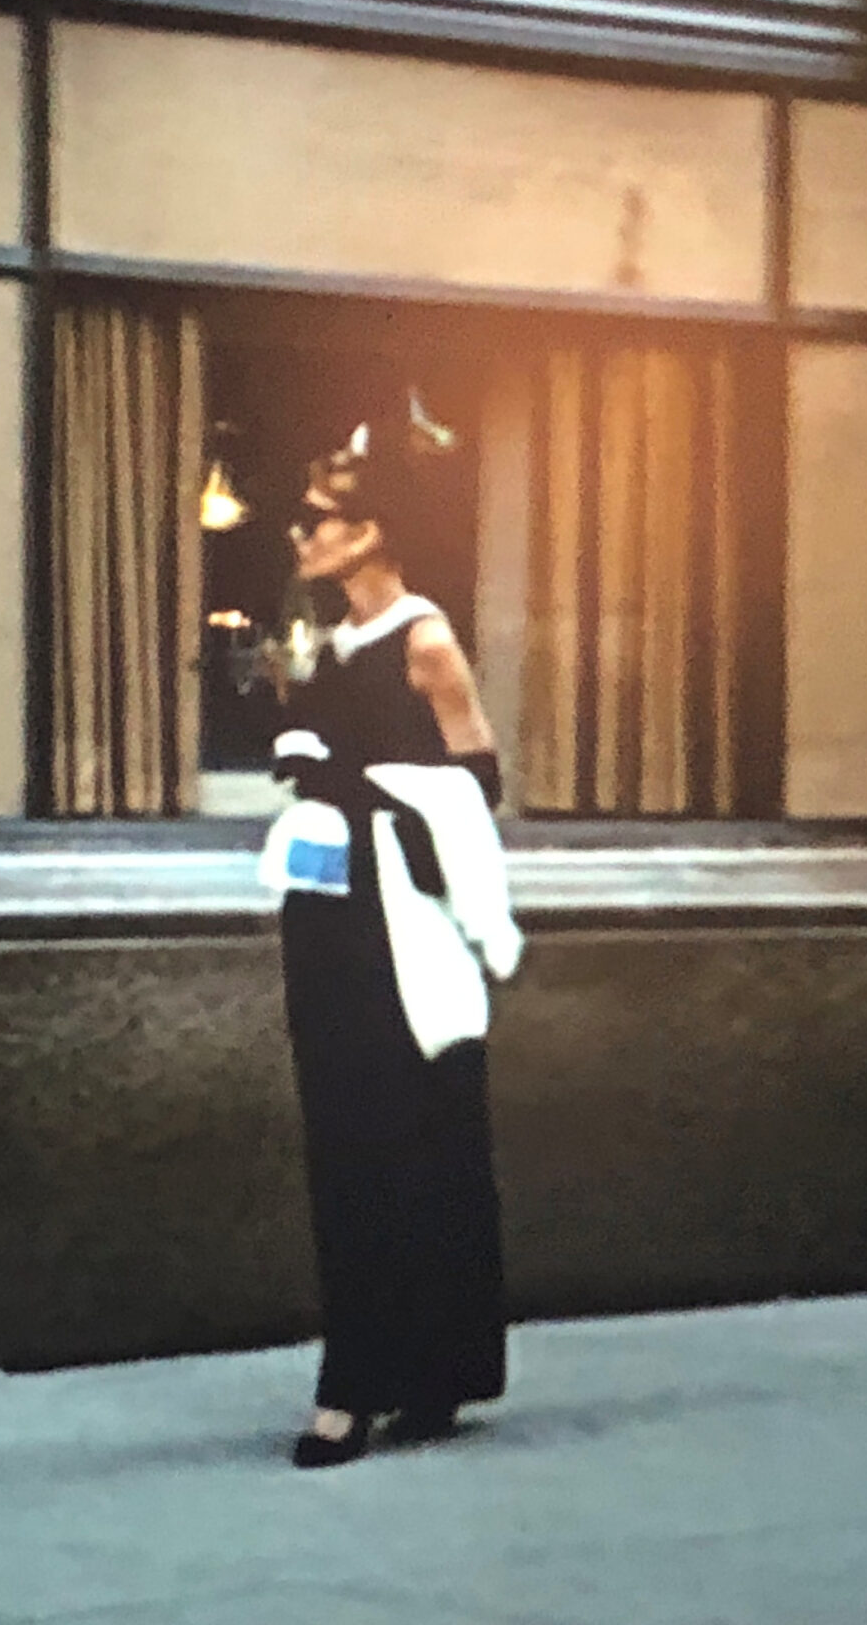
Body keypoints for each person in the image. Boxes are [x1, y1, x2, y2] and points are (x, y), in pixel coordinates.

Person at [260, 405, 518, 1469]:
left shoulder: (424, 639)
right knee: (344, 1143)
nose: (300, 533)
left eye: (318, 518)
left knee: (405, 1145)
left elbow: (481, 780)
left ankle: (359, 1388)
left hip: (399, 932)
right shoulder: (332, 638)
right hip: (324, 915)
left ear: (370, 533)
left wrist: (351, 779)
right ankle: (422, 1370)